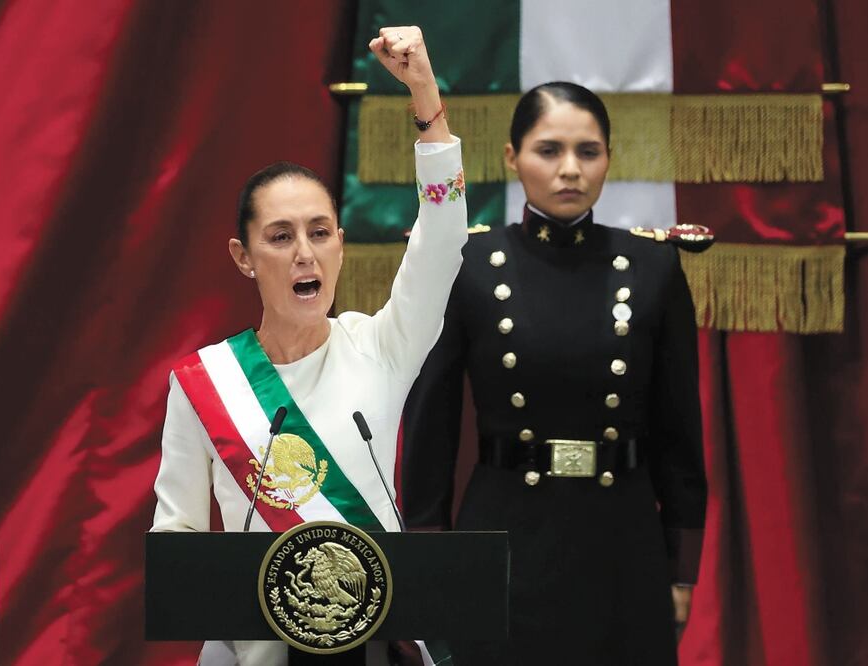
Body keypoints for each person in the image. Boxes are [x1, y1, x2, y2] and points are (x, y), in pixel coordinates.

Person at [151, 26, 466, 666]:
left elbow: (441, 240)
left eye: (320, 232)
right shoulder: (204, 382)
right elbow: (177, 542)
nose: (304, 253)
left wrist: (426, 99)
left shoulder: (381, 347)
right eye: (280, 237)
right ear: (243, 257)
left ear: (341, 245)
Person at [402, 82, 708, 665]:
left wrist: (681, 571)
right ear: (511, 157)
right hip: (503, 537)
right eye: (549, 150)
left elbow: (680, 438)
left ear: (609, 158)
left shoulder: (653, 267)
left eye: (588, 151)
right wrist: (428, 562)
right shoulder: (469, 265)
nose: (570, 169)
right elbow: (430, 433)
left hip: (622, 542)